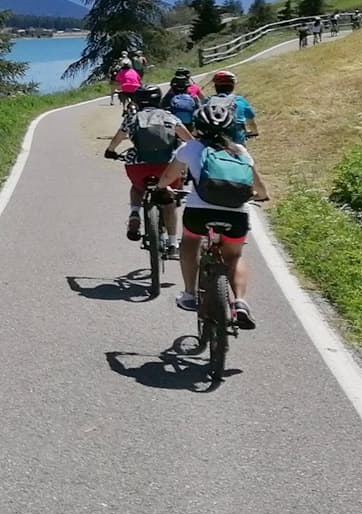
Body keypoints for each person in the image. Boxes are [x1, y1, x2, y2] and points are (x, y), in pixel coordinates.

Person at [158, 98, 270, 326]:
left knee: (189, 242)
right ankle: (240, 302)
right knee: (234, 256)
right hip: (236, 215)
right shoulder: (240, 151)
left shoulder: (189, 148)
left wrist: (162, 189)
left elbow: (169, 178)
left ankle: (189, 294)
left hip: (199, 213)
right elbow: (260, 189)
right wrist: (260, 196)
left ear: (198, 126)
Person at [105, 83, 191, 251]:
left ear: (137, 101)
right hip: (167, 167)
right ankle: (173, 243)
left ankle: (135, 213)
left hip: (138, 167)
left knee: (137, 189)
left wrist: (110, 151)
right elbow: (189, 140)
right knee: (169, 200)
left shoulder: (132, 118)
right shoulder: (169, 117)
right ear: (158, 99)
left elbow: (117, 139)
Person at [205, 69, 258, 142]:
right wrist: (254, 132)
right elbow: (250, 121)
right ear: (233, 86)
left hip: (215, 140)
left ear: (215, 86)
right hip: (237, 139)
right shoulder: (240, 100)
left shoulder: (207, 101)